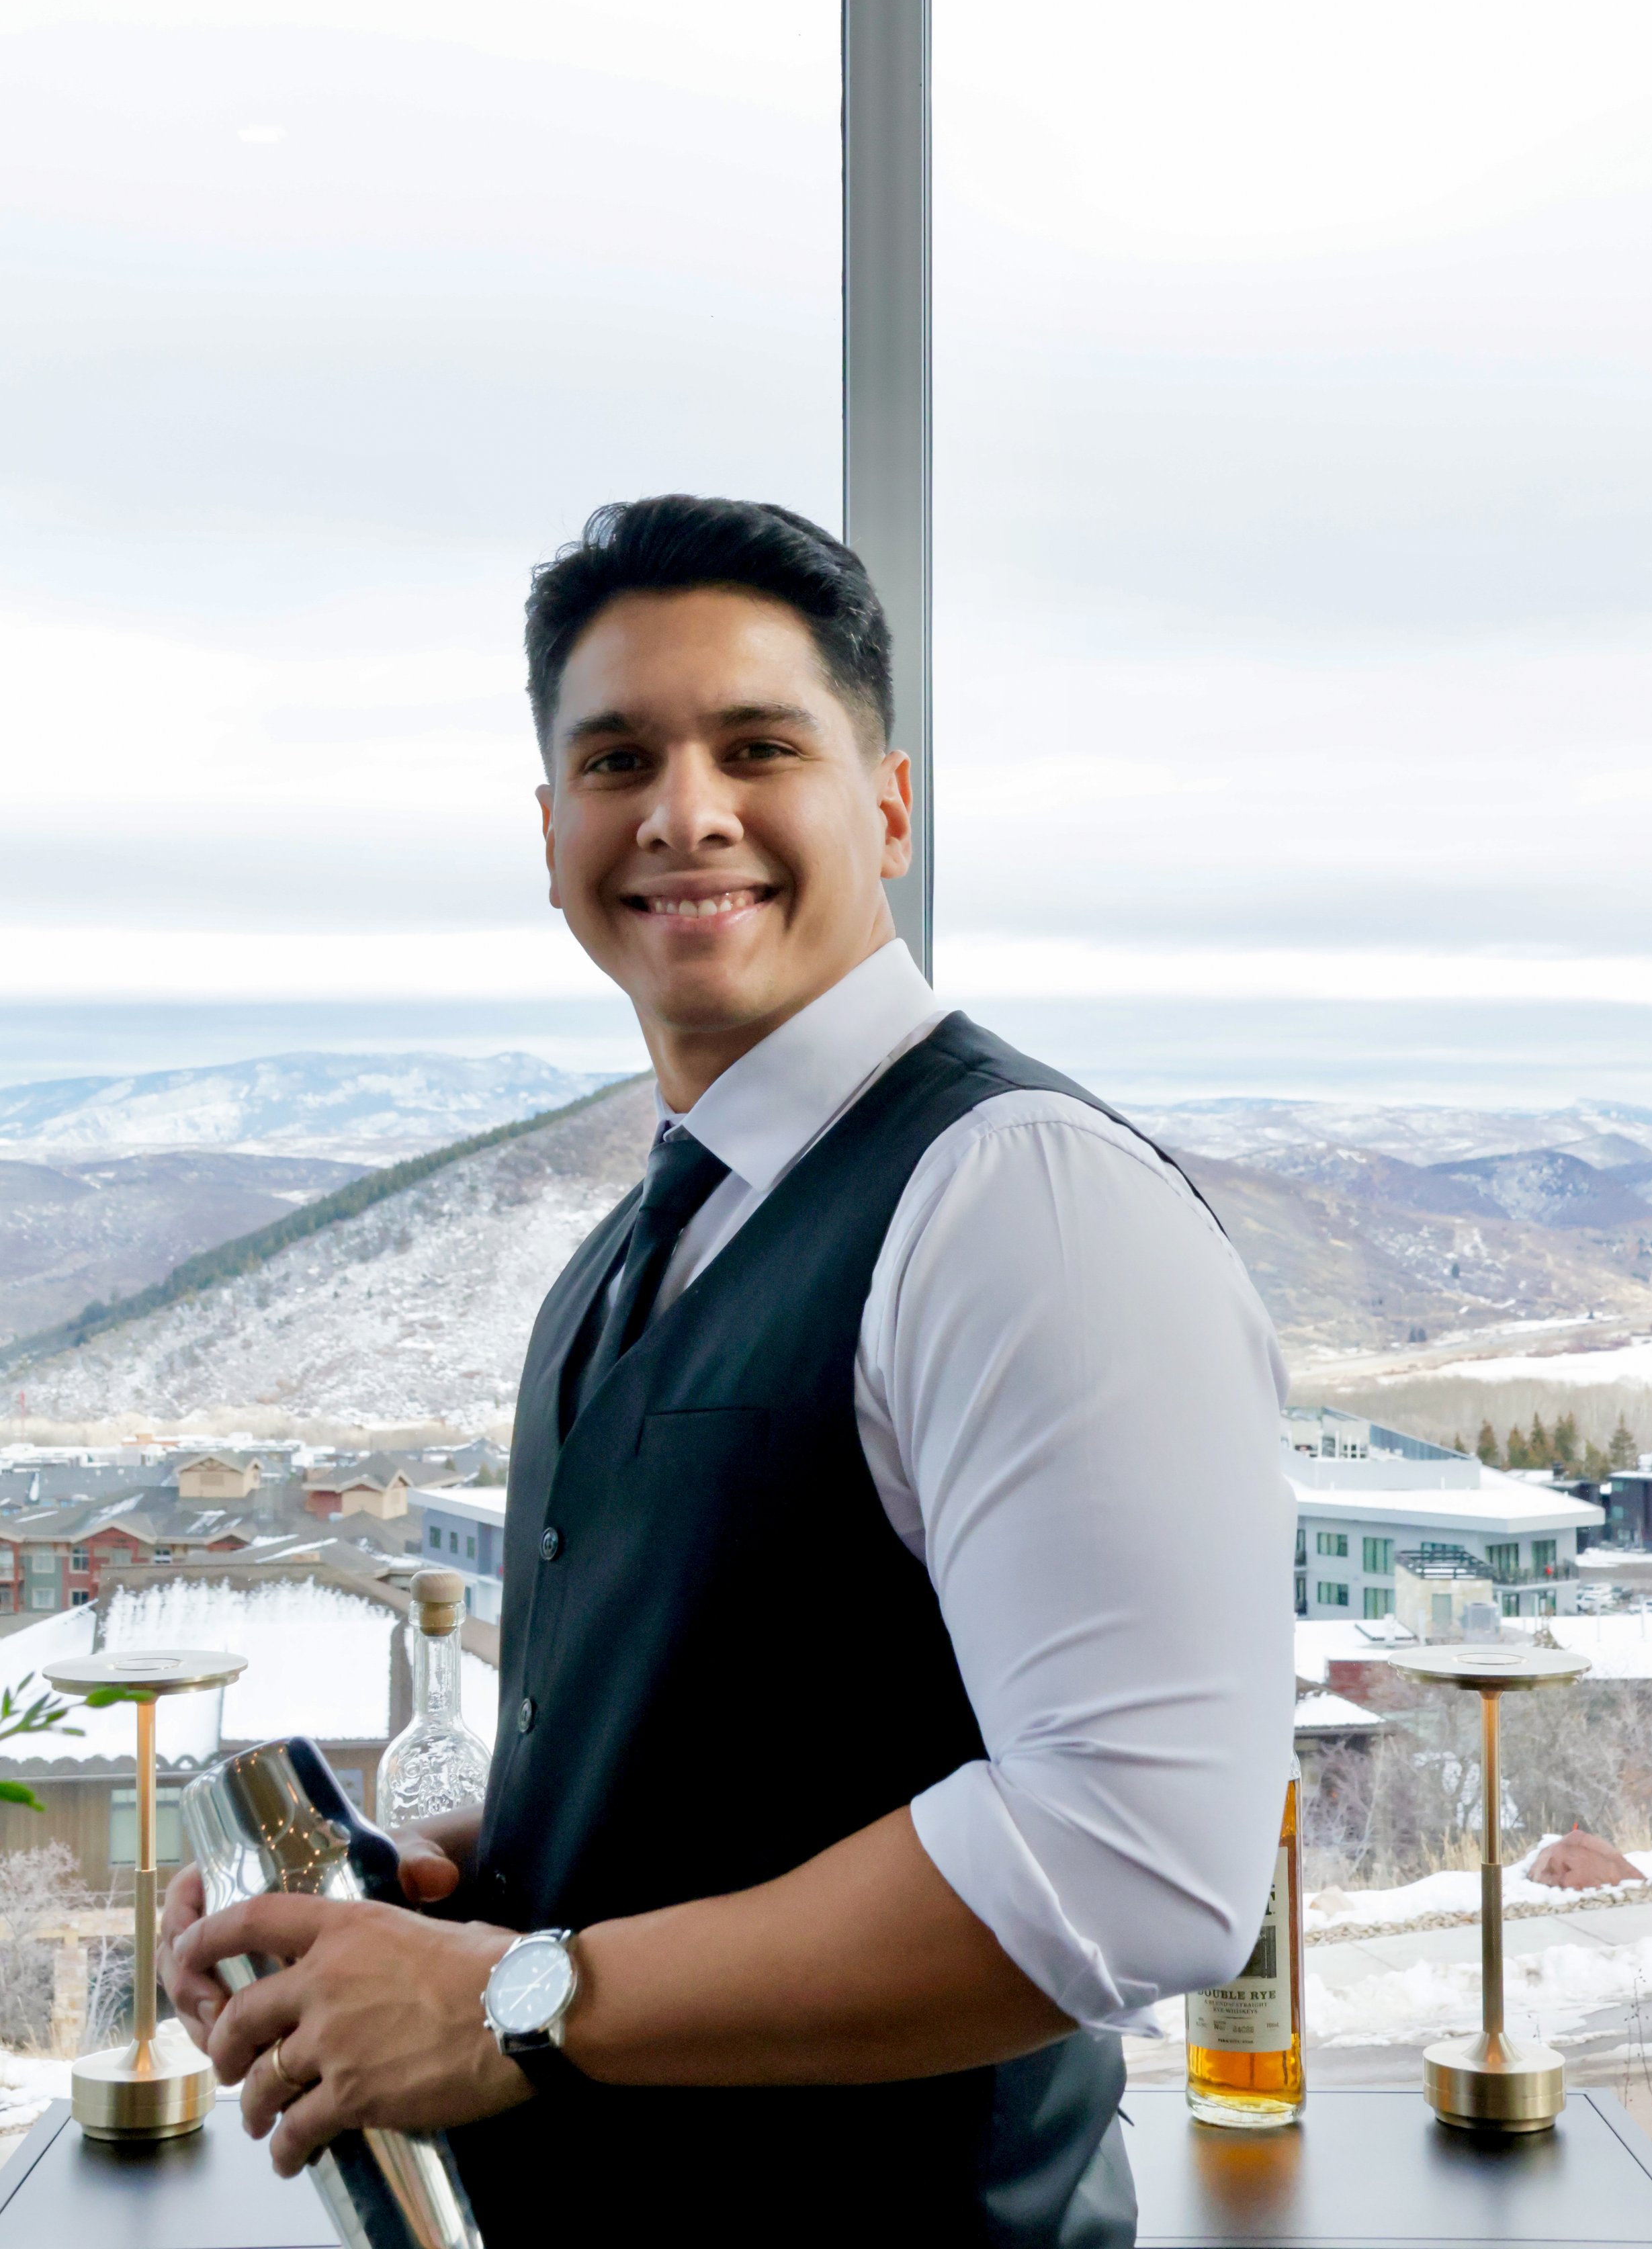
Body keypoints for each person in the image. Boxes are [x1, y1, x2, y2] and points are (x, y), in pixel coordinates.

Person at [163, 494, 1295, 2247]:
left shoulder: (1016, 1199)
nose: (682, 810)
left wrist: (502, 2004)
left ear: (891, 807)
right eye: (617, 760)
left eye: (756, 746)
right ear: (553, 839)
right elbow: (761, 1731)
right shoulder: (640, 1246)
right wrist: (456, 1891)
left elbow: (1133, 1867)